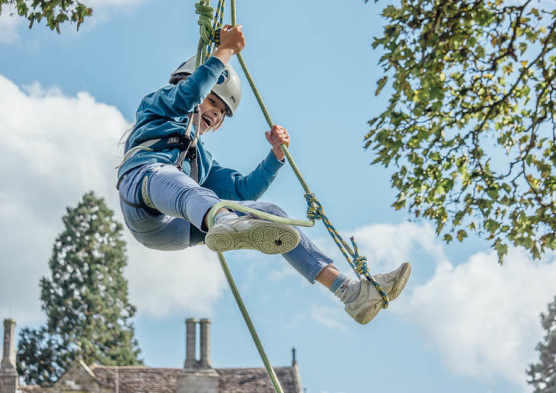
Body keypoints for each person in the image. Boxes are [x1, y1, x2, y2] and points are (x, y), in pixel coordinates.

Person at [117, 25, 411, 325]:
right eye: (213, 102)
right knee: (178, 182)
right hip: (142, 193)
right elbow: (187, 97)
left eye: (221, 112)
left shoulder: (200, 160)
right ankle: (225, 223)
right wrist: (225, 51)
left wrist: (275, 157)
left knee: (270, 213)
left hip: (176, 228)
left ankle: (352, 293)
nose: (215, 114)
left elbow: (242, 192)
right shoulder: (158, 106)